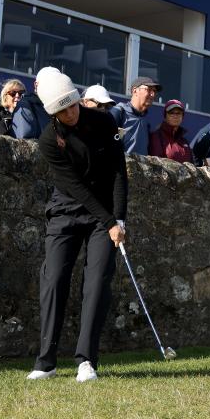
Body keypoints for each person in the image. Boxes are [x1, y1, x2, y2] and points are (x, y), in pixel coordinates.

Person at [27, 72, 127, 383]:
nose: (70, 114)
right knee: (54, 279)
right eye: (62, 110)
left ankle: (86, 361)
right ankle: (46, 362)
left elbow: (119, 173)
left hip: (104, 215)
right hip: (66, 211)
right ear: (52, 112)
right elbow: (76, 187)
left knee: (96, 281)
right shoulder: (47, 140)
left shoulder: (105, 121)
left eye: (72, 105)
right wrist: (110, 220)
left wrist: (118, 219)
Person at [110, 76, 160, 154]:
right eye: (149, 89)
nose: (152, 94)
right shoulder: (119, 112)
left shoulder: (146, 121)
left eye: (154, 91)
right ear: (135, 91)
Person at [13, 67, 58, 139]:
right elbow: (25, 140)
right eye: (48, 83)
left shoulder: (58, 108)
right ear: (36, 85)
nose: (52, 87)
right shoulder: (25, 105)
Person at [148, 99, 193, 163]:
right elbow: (156, 165)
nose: (175, 116)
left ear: (182, 117)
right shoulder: (156, 137)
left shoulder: (185, 142)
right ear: (165, 116)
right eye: (171, 113)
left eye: (178, 113)